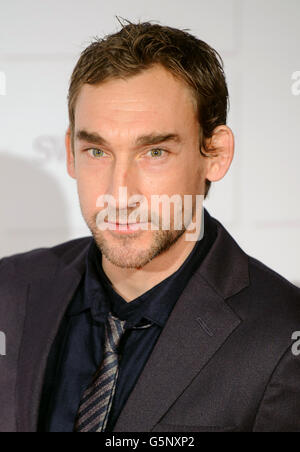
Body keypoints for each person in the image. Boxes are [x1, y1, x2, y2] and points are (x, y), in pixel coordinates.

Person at [0, 20, 300, 433]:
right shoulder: (10, 288)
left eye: (154, 151)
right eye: (97, 151)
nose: (119, 193)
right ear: (70, 153)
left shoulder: (283, 338)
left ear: (215, 153)